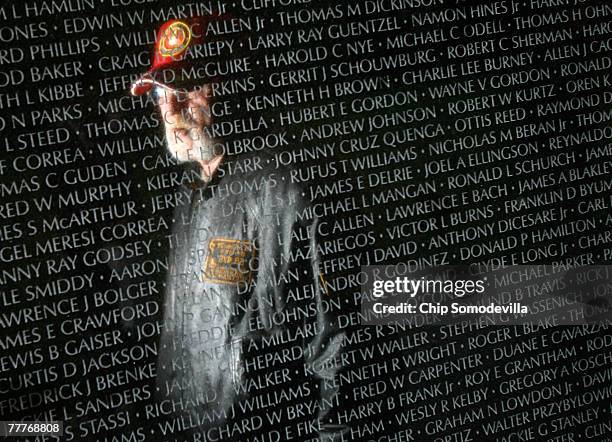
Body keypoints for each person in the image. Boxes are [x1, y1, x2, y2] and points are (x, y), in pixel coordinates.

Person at [130, 16, 348, 441]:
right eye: (161, 93)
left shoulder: (287, 187)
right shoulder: (189, 190)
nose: (171, 111)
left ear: (230, 86)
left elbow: (336, 338)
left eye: (186, 89)